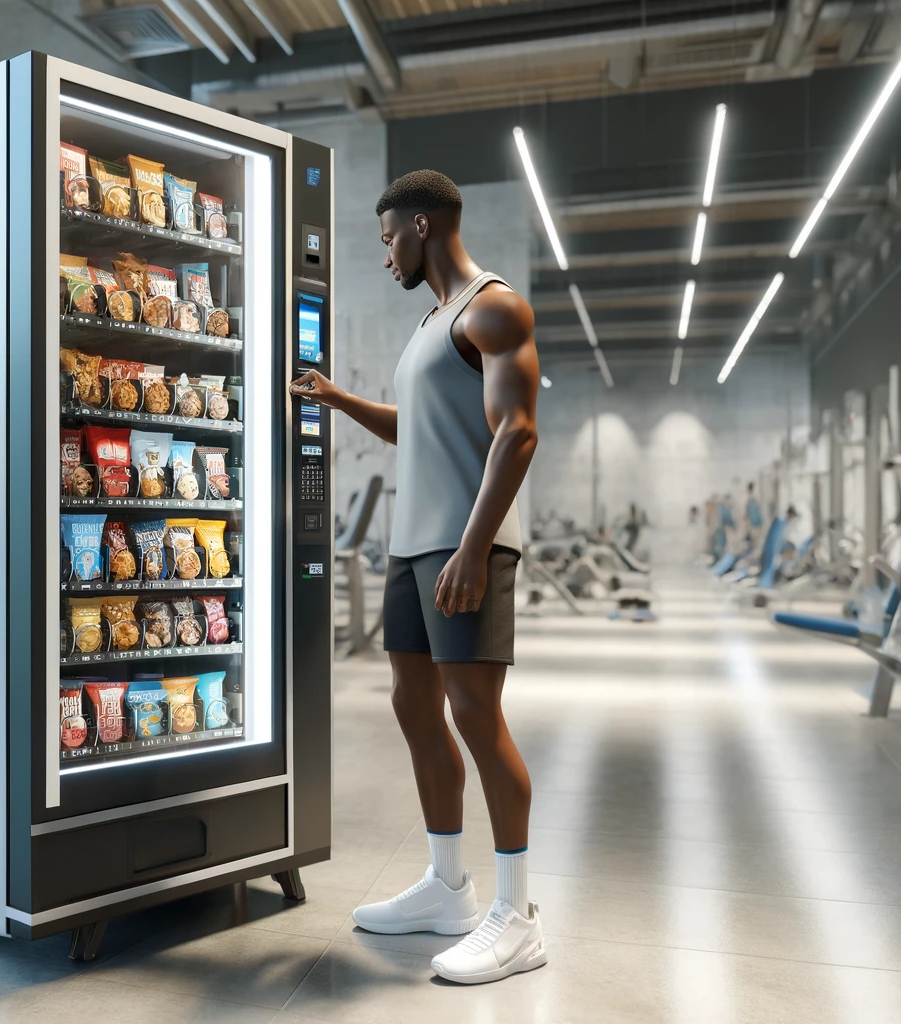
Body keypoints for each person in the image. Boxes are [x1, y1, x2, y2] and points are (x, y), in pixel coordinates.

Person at [290, 170, 545, 985]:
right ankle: (448, 887)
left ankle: (517, 915)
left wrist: (474, 547)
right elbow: (419, 428)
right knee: (414, 705)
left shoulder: (494, 308)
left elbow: (516, 434)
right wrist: (335, 397)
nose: (385, 254)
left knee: (476, 714)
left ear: (424, 226)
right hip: (411, 546)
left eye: (388, 237)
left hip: (464, 545)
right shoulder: (434, 323)